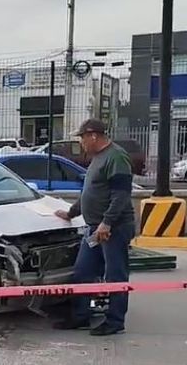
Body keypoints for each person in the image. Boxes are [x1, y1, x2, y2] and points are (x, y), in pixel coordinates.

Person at [55, 119, 135, 336]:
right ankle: (81, 315)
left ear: (93, 136)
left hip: (112, 229)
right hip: (95, 229)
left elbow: (121, 196)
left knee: (115, 275)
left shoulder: (116, 157)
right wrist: (71, 213)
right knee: (82, 272)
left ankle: (115, 321)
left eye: (81, 137)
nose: (80, 142)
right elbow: (90, 193)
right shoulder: (97, 159)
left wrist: (107, 222)